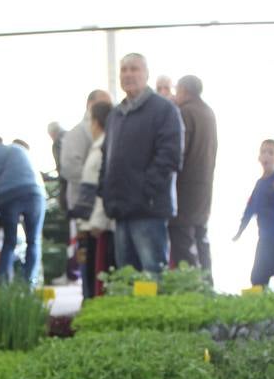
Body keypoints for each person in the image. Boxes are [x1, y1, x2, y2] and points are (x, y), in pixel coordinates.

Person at [100, 53, 184, 275]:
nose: (128, 74)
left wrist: (146, 189)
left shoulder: (164, 110)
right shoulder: (115, 115)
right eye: (124, 69)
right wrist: (106, 192)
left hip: (149, 209)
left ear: (146, 73)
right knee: (126, 278)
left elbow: (170, 156)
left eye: (134, 69)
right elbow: (105, 156)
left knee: (152, 274)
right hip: (121, 210)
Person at [60, 89, 113, 297]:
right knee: (88, 260)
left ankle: (92, 299)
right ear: (90, 106)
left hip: (100, 215)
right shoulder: (76, 134)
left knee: (97, 263)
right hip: (85, 211)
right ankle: (88, 299)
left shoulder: (107, 138)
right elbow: (69, 168)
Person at [0, 135, 46, 286]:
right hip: (36, 192)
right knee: (33, 241)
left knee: (9, 241)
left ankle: (2, 285)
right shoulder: (18, 149)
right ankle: (29, 284)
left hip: (9, 196)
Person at [170, 74, 217, 272]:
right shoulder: (208, 112)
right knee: (201, 237)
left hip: (185, 188)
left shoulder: (185, 112)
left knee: (183, 241)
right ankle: (206, 281)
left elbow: (179, 151)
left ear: (183, 90)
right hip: (204, 186)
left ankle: (189, 286)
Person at [234, 139, 274, 287]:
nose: (266, 156)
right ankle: (261, 300)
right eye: (263, 152)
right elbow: (250, 209)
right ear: (259, 157)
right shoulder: (260, 184)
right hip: (264, 239)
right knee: (258, 278)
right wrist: (240, 230)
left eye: (271, 153)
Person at [75, 100, 114, 298]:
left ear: (97, 122)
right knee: (90, 272)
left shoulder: (103, 148)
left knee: (98, 273)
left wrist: (97, 220)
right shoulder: (96, 147)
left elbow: (101, 187)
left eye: (90, 120)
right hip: (90, 221)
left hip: (98, 224)